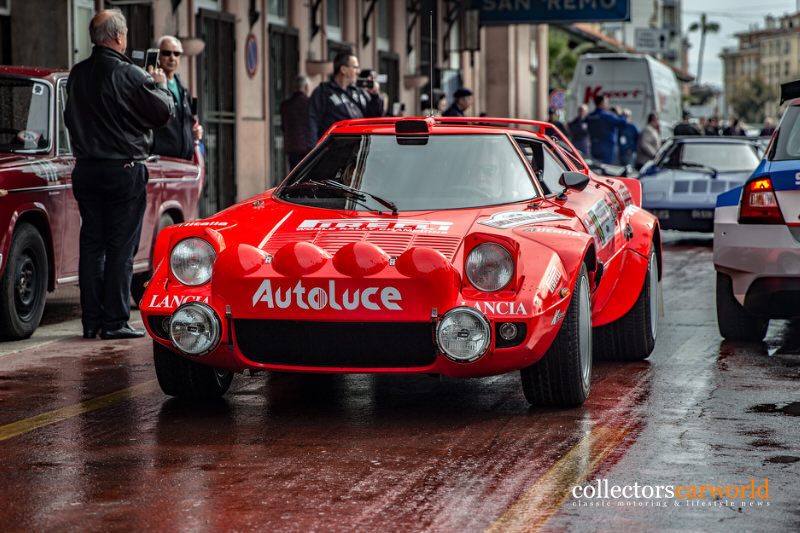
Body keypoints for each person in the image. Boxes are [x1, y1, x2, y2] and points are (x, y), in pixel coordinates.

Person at [64, 9, 174, 340]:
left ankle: (91, 322)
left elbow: (71, 118)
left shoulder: (77, 74)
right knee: (120, 248)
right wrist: (162, 86)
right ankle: (114, 322)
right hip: (122, 169)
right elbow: (163, 112)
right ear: (118, 37)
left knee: (92, 244)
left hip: (86, 168)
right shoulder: (129, 74)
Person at [306, 51, 384, 150]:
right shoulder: (323, 92)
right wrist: (314, 151)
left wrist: (375, 96)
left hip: (358, 152)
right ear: (343, 69)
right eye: (355, 67)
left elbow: (376, 118)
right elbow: (312, 121)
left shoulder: (360, 92)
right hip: (333, 152)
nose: (358, 71)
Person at [151, 35, 203, 160]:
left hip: (183, 161)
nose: (172, 57)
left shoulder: (182, 87)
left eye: (176, 54)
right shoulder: (151, 83)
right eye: (167, 53)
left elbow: (187, 121)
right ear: (158, 56)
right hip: (162, 161)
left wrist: (195, 132)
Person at [585, 94, 627, 164]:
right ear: (603, 103)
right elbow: (623, 123)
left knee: (595, 166)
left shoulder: (590, 116)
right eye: (606, 102)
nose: (607, 105)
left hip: (594, 146)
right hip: (607, 147)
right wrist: (621, 114)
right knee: (606, 168)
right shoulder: (607, 116)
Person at [280, 74, 310, 168]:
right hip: (307, 147)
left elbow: (283, 126)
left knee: (294, 175)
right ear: (306, 87)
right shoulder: (310, 103)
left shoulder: (285, 105)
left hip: (292, 146)